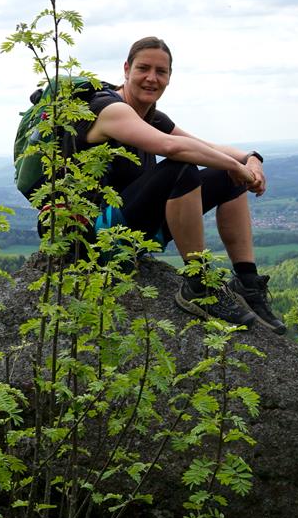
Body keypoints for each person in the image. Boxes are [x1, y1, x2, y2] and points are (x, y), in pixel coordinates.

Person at [75, 36, 285, 333]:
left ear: (169, 77)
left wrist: (250, 159)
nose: (152, 78)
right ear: (126, 69)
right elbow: (174, 148)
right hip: (97, 238)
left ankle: (247, 282)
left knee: (226, 175)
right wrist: (236, 166)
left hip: (133, 226)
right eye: (143, 68)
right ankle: (198, 285)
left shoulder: (153, 117)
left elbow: (202, 145)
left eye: (161, 71)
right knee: (182, 167)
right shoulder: (109, 109)